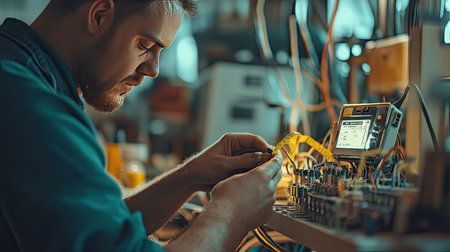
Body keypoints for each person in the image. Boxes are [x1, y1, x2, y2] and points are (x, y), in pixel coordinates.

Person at [0, 0, 283, 251]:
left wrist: (192, 175)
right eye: (146, 46)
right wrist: (231, 213)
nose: (153, 70)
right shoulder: (31, 105)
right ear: (99, 14)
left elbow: (91, 229)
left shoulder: (19, 74)